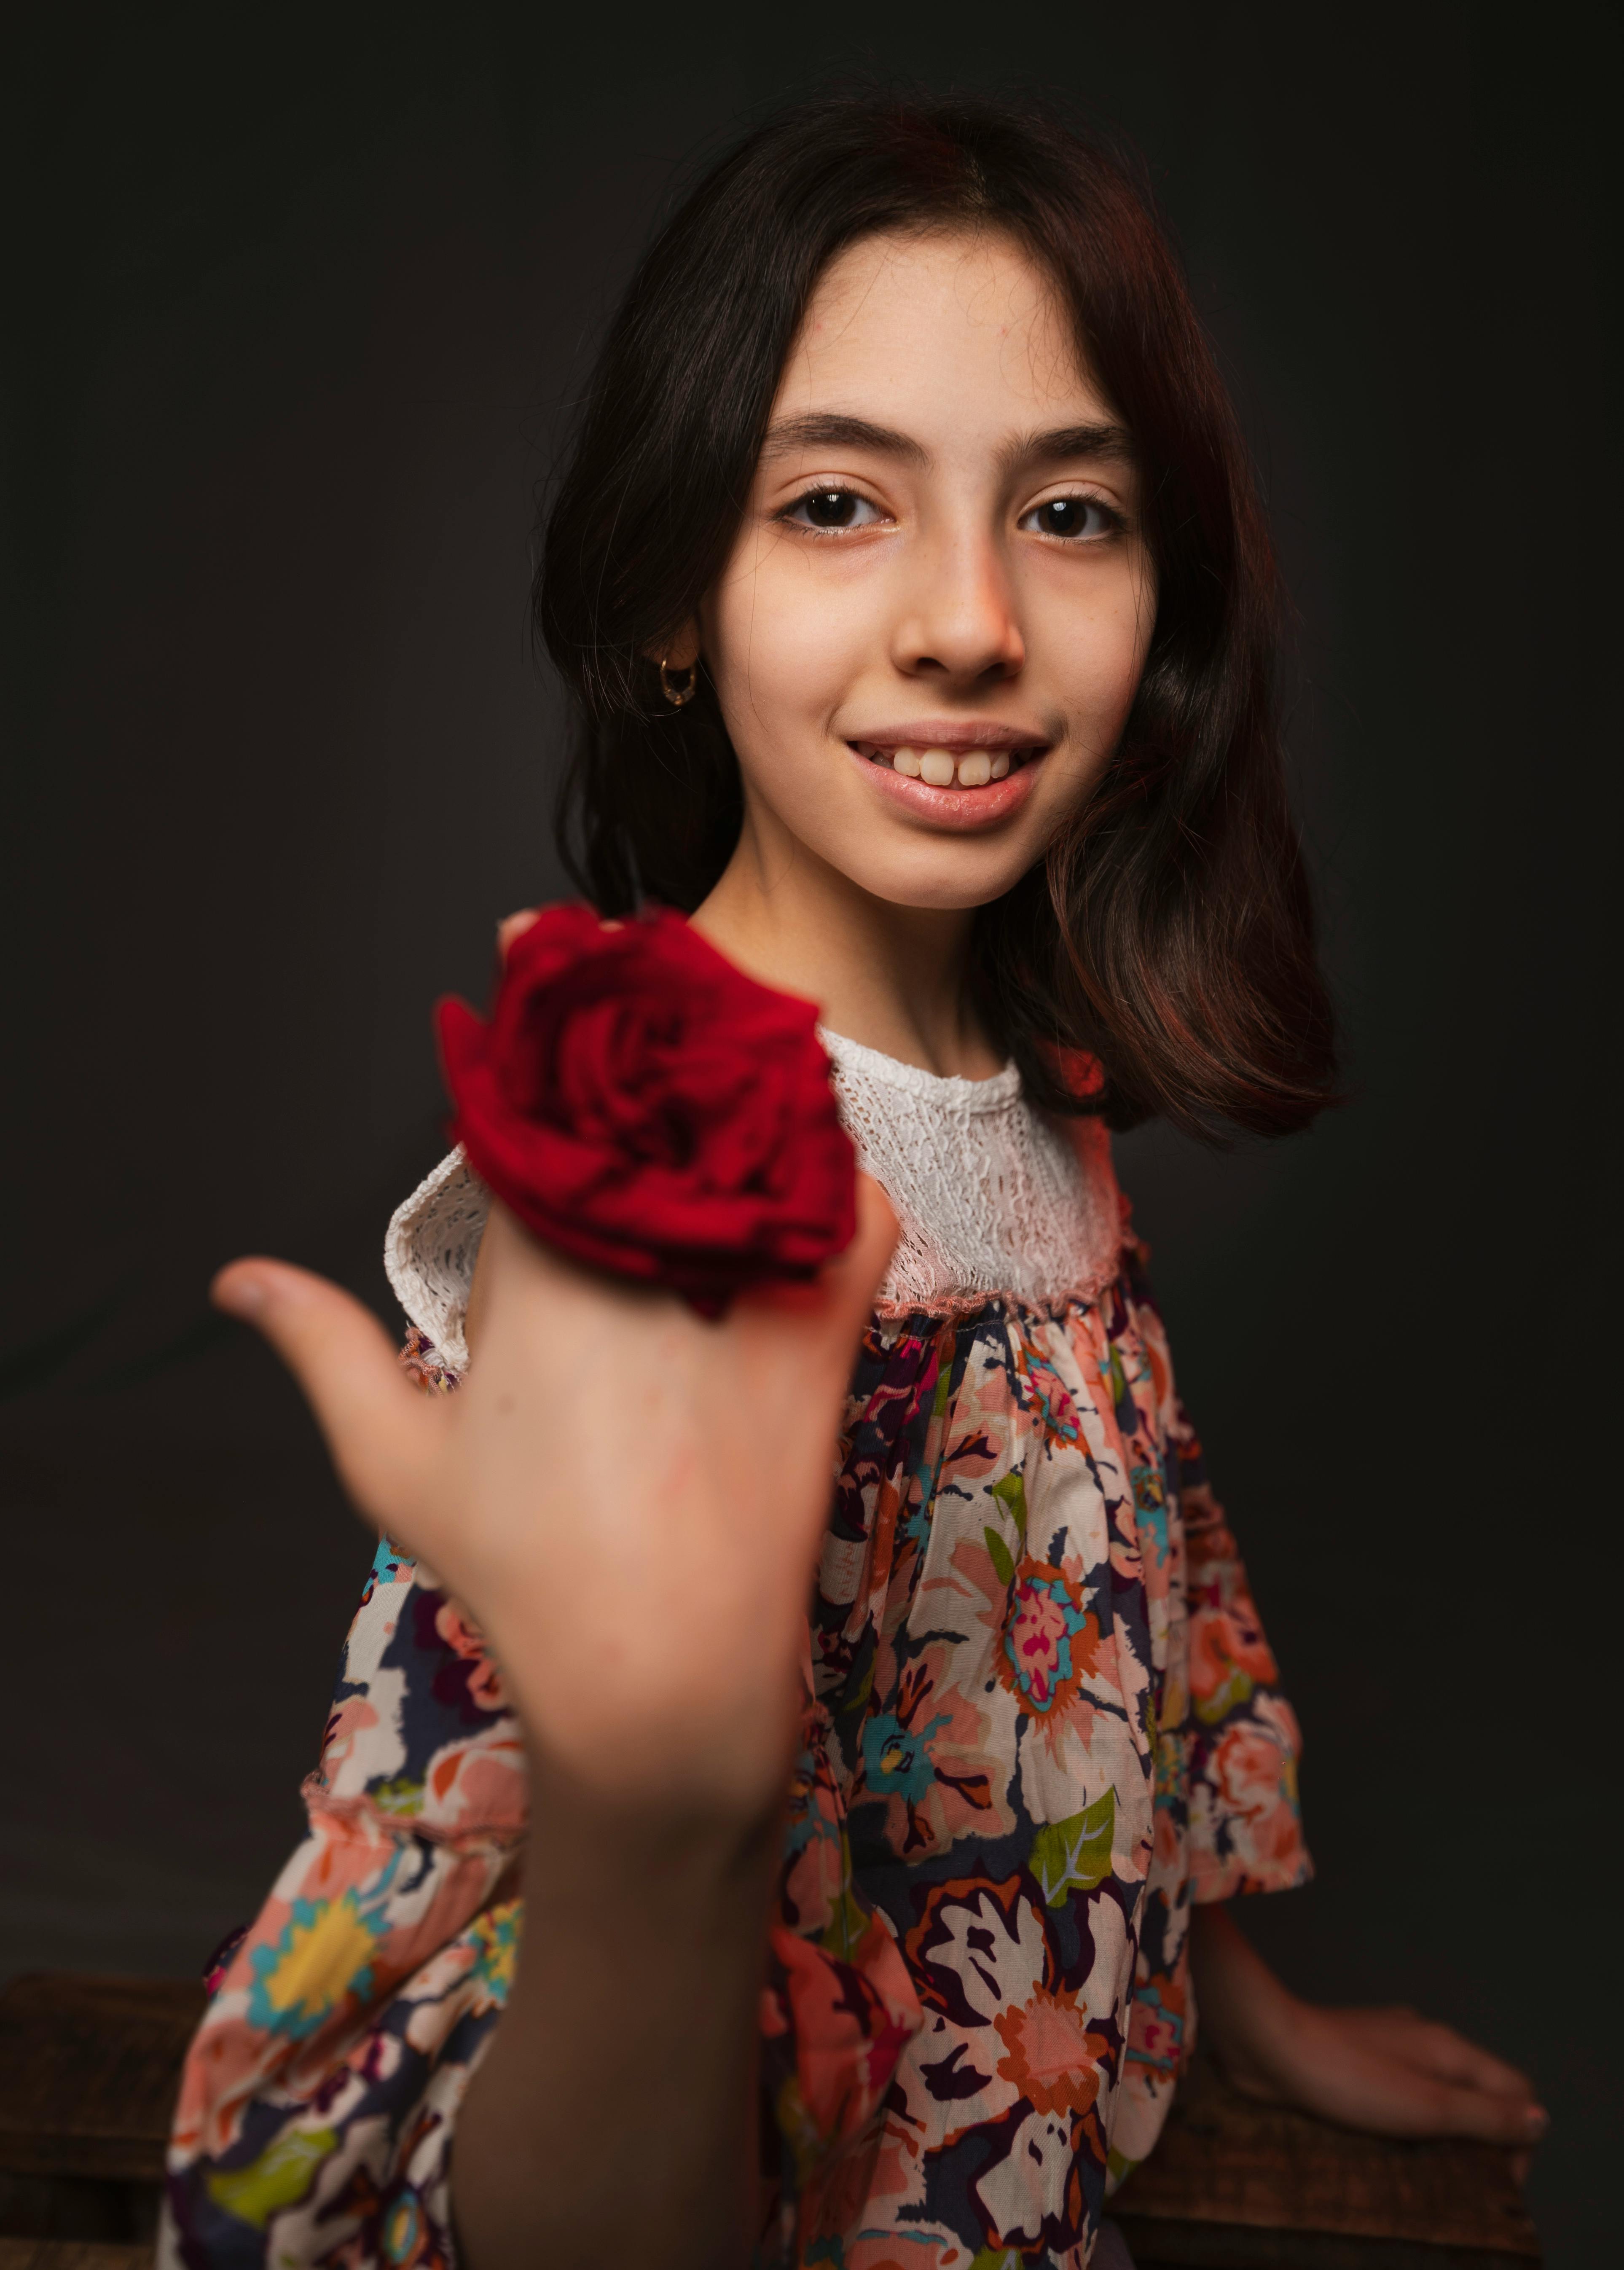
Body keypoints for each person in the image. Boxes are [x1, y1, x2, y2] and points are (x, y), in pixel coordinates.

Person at [161, 91, 1546, 2270]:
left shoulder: (1019, 1074)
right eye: (835, 503)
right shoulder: (659, 1172)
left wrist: (1236, 2009)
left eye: (1070, 511)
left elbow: (1117, 1608)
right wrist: (667, 1826)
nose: (971, 623)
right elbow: (523, 2168)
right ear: (668, 607)